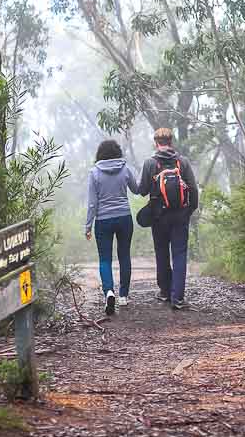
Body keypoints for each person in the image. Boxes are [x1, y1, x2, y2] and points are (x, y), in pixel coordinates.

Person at [137, 128, 199, 310]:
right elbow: (193, 190)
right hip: (180, 215)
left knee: (162, 253)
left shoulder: (150, 163)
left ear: (156, 143)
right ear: (171, 142)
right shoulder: (182, 162)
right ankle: (177, 298)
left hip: (158, 216)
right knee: (179, 254)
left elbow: (142, 190)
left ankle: (165, 291)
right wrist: (189, 210)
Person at [85, 139, 138, 315]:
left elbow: (92, 203)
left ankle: (109, 292)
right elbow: (136, 189)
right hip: (124, 218)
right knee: (124, 256)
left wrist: (88, 225)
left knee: (105, 259)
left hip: (103, 220)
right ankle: (123, 296)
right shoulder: (125, 168)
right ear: (118, 152)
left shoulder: (94, 173)